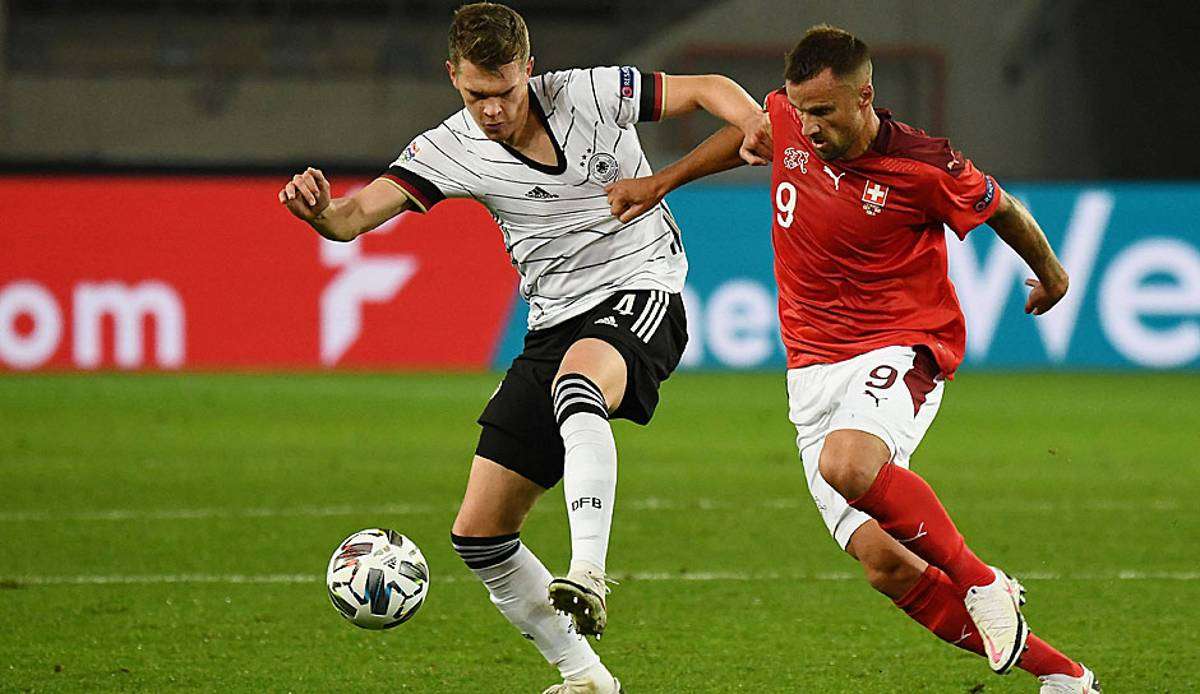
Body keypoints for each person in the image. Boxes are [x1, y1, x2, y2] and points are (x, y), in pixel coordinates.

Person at [278, 3, 766, 692]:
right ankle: (587, 678)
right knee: (480, 535)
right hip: (554, 323)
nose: (494, 109)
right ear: (454, 77)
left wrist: (749, 120)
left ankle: (589, 569)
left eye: (506, 91)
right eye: (478, 94)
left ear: (528, 70)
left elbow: (705, 86)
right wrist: (321, 214)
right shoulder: (449, 147)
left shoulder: (591, 93)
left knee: (578, 387)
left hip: (643, 290)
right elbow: (356, 216)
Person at [605, 24, 1099, 694]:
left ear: (865, 97)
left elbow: (1003, 209)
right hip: (810, 371)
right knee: (887, 566)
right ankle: (1064, 677)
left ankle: (983, 582)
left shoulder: (925, 165)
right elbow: (756, 134)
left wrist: (1054, 274)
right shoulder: (790, 116)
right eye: (800, 109)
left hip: (901, 344)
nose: (806, 126)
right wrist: (663, 181)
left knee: (849, 463)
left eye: (825, 112)